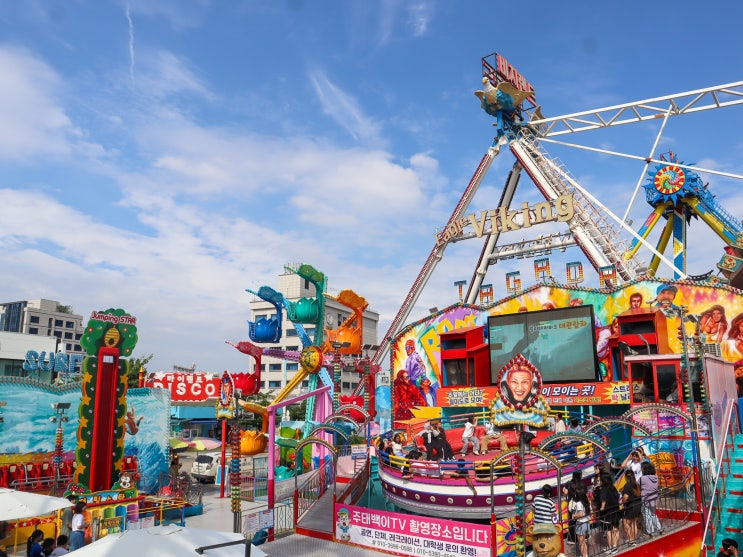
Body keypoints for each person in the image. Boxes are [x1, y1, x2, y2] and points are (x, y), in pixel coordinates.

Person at [597, 472, 621, 553]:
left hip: (608, 511)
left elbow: (603, 500)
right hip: (616, 510)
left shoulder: (604, 489)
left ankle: (611, 548)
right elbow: (617, 496)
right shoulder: (613, 487)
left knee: (608, 530)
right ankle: (615, 546)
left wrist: (602, 508)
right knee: (615, 528)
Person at [639, 460, 662, 536]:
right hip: (654, 499)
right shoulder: (655, 477)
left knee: (647, 516)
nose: (641, 469)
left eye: (641, 468)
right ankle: (659, 528)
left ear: (644, 469)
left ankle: (651, 532)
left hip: (645, 500)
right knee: (653, 514)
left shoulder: (642, 479)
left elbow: (636, 485)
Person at [621, 469, 642, 546]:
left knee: (625, 523)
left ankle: (631, 540)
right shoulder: (637, 484)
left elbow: (625, 497)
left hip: (631, 506)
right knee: (634, 523)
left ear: (626, 477)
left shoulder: (627, 485)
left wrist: (622, 502)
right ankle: (633, 539)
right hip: (638, 505)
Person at [572, 483, 591, 557]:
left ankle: (584, 555)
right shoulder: (586, 502)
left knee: (581, 542)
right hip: (586, 522)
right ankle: (585, 555)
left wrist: (574, 515)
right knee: (583, 542)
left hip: (581, 524)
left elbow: (581, 514)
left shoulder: (579, 503)